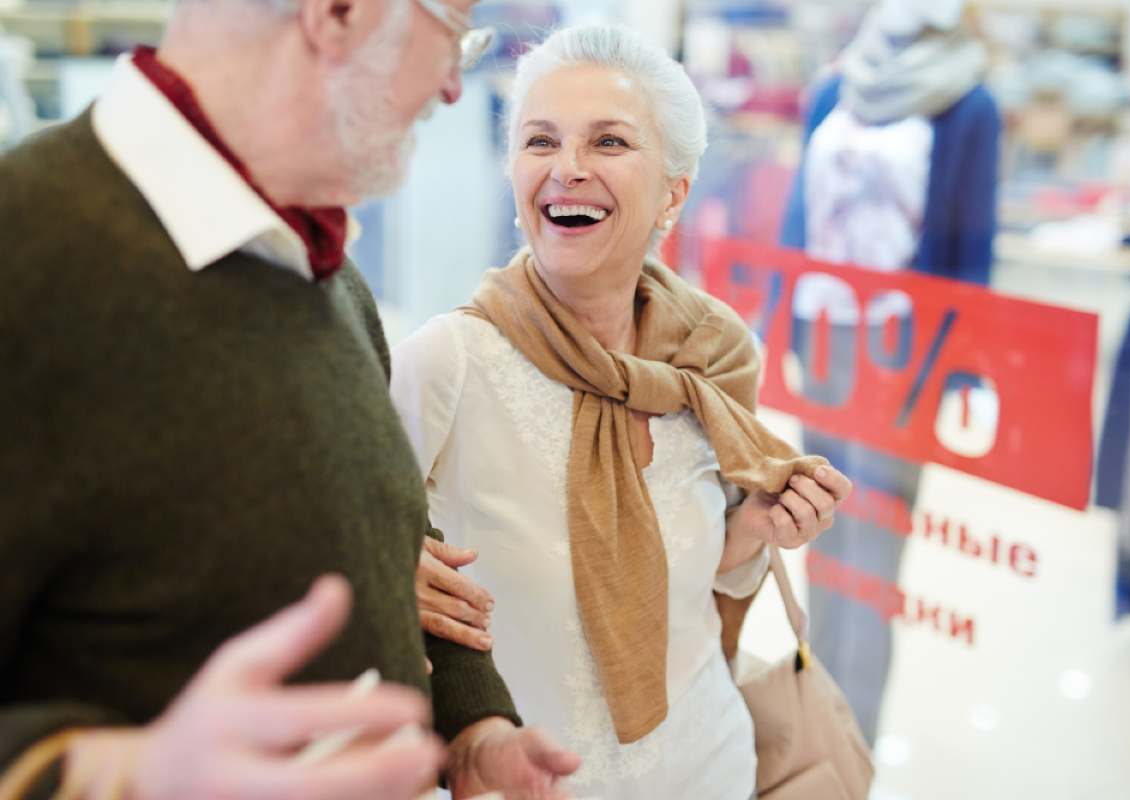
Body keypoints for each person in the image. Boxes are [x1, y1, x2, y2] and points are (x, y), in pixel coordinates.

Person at [0, 1, 580, 798]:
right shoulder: (26, 257)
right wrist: (122, 776)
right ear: (337, 13)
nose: (454, 84)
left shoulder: (320, 270)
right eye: (452, 31)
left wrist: (471, 732)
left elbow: (382, 533)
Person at [392, 25, 853, 800]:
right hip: (525, 780)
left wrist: (754, 534)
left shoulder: (713, 354)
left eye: (609, 143)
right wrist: (386, 570)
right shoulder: (450, 361)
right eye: (541, 141)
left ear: (674, 190)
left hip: (708, 767)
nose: (567, 168)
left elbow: (706, 588)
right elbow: (337, 549)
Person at [777, 0, 1000, 743]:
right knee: (819, 534)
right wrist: (778, 324)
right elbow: (798, 219)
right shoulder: (835, 90)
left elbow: (971, 250)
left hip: (903, 352)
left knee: (874, 558)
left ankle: (853, 748)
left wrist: (963, 372)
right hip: (824, 343)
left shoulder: (968, 102)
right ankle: (813, 726)